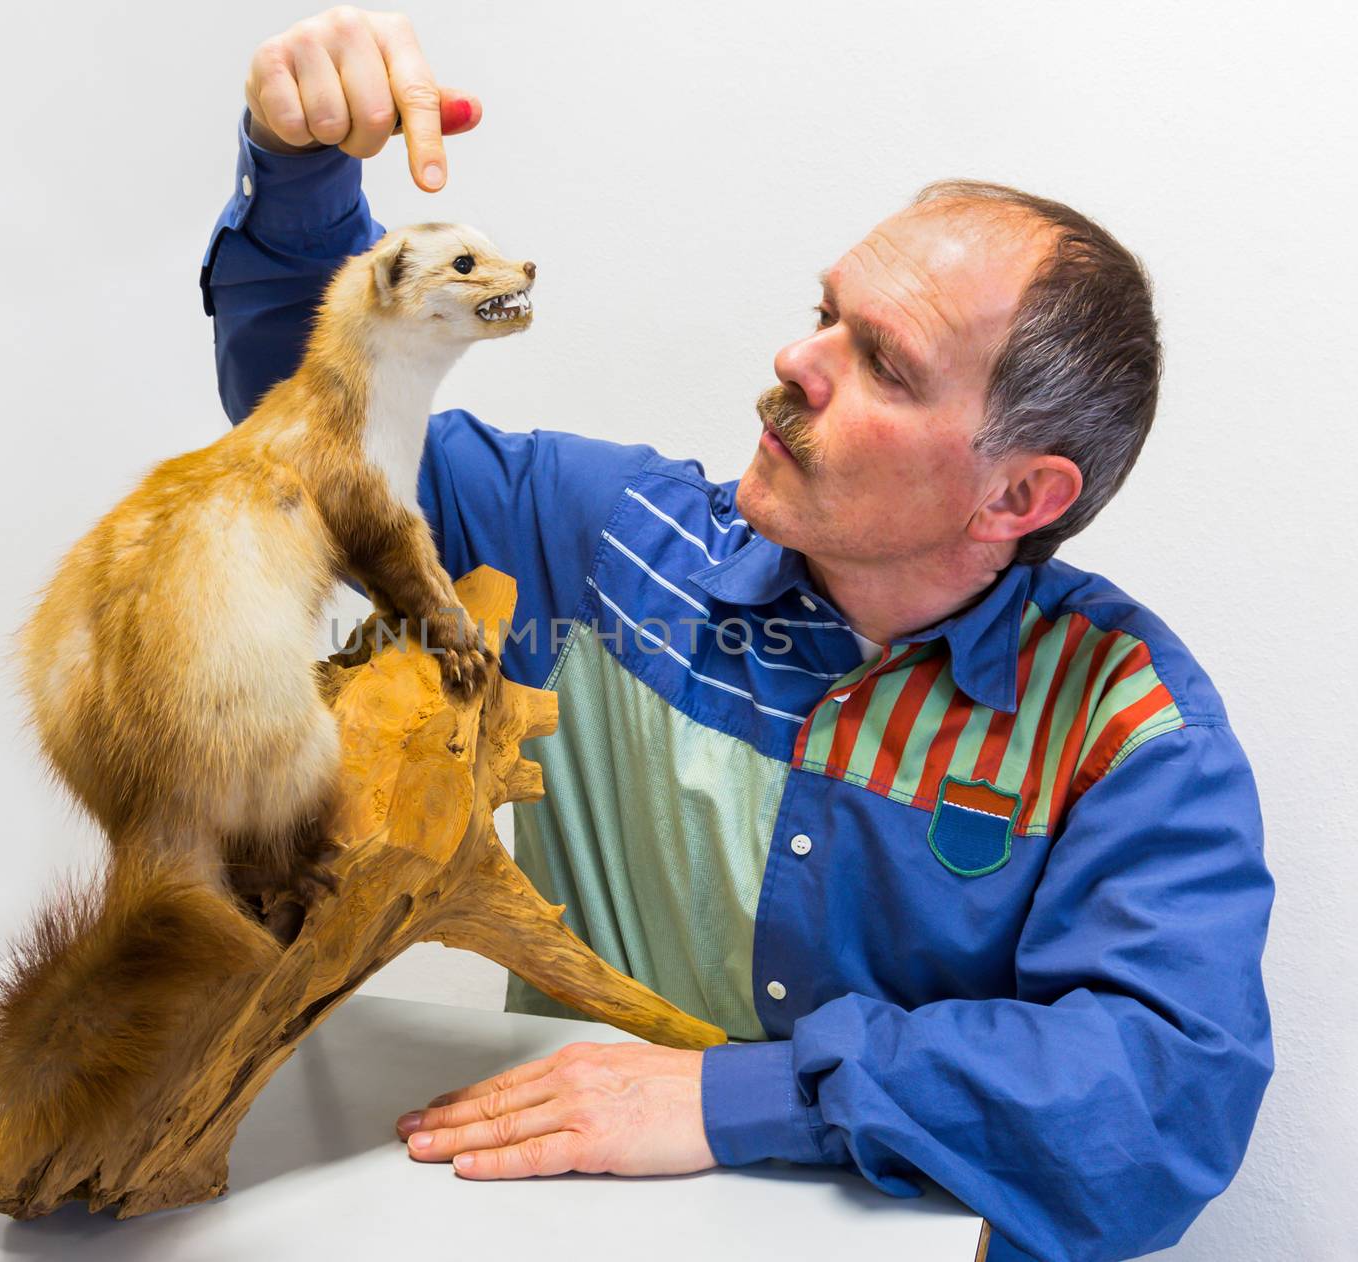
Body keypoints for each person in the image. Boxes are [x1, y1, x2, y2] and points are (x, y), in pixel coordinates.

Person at [199, 10, 1274, 1260]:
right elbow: (329, 447)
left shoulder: (1128, 726)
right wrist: (301, 171)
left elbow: (1158, 1101)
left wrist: (734, 1098)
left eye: (881, 359)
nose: (795, 358)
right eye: (824, 312)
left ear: (1018, 497)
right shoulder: (599, 545)